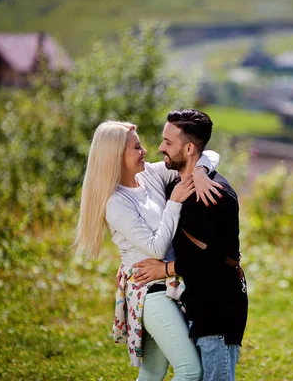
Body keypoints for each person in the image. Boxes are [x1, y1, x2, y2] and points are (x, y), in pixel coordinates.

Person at [74, 120, 223, 381]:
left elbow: (209, 153)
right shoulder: (115, 203)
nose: (145, 151)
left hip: (167, 287)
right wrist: (174, 202)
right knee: (190, 371)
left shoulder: (149, 176)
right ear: (116, 156)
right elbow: (156, 248)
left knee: (153, 372)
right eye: (136, 147)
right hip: (149, 294)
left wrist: (199, 171)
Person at [133, 109, 248, 381]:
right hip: (196, 304)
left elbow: (217, 258)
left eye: (167, 143)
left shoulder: (216, 195)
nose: (160, 148)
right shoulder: (174, 182)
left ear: (188, 147)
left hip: (219, 308)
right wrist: (199, 169)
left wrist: (167, 268)